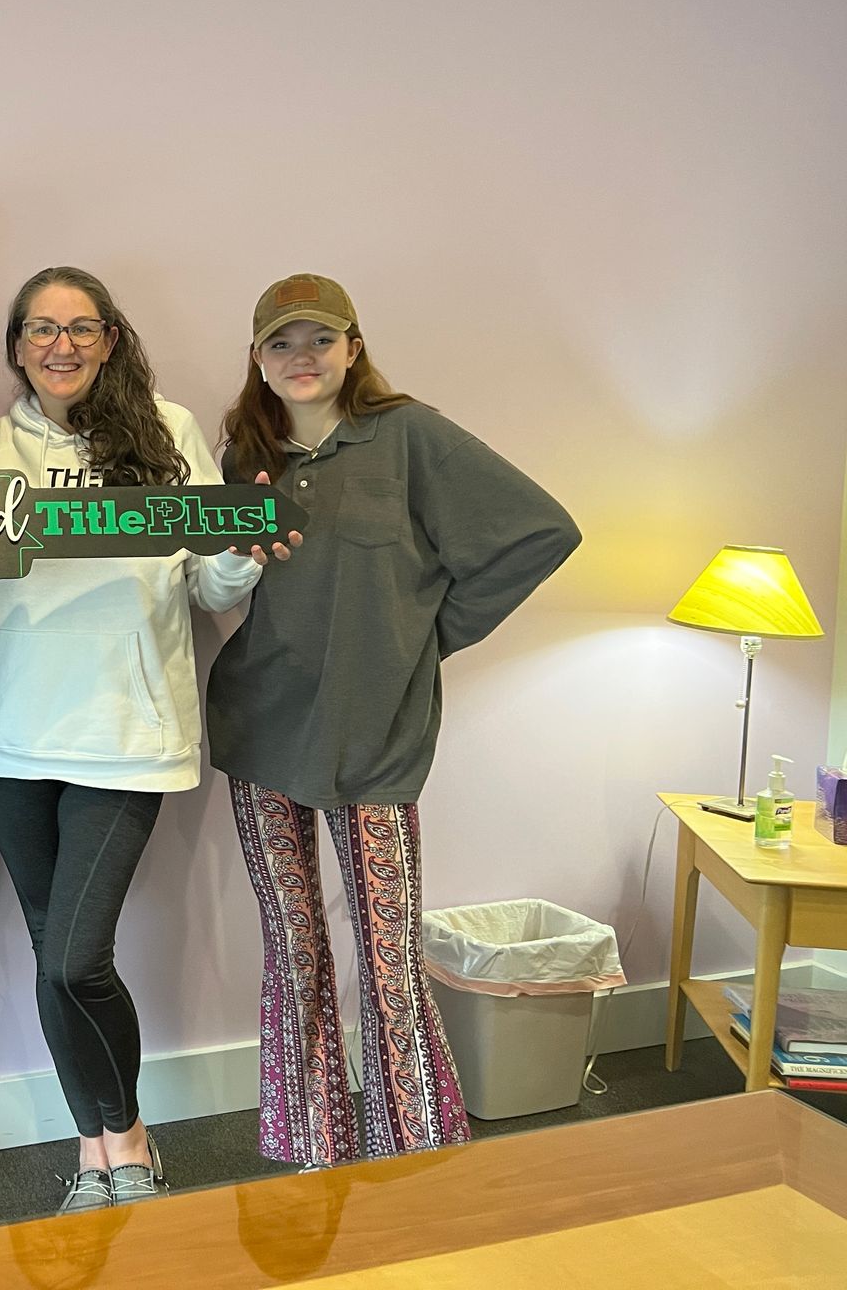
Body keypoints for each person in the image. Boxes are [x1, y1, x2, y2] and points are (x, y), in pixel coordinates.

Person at [206, 273, 581, 1168]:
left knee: (389, 960)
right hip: (262, 727)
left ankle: (417, 1157)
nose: (301, 357)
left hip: (377, 736)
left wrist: (428, 637)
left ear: (353, 346)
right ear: (257, 357)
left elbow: (542, 532)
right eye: (281, 342)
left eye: (319, 339)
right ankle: (312, 1150)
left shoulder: (410, 436)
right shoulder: (244, 455)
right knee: (295, 951)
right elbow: (226, 578)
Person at [0, 266, 295, 1214]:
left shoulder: (167, 432)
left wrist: (241, 555)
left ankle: (134, 1138)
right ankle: (97, 1153)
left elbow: (206, 586)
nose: (60, 345)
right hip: (14, 739)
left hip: (129, 735)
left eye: (81, 327)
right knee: (53, 959)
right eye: (40, 328)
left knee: (75, 958)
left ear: (110, 339)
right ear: (17, 346)